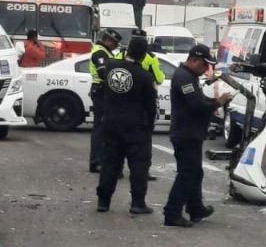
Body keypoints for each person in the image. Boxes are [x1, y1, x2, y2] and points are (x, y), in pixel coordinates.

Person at [163, 45, 233, 227]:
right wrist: (218, 102)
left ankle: (195, 208)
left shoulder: (190, 76)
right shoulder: (183, 77)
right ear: (194, 60)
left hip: (191, 132)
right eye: (204, 65)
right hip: (186, 134)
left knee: (195, 173)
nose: (205, 70)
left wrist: (215, 102)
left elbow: (200, 101)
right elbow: (196, 105)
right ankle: (172, 213)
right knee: (187, 173)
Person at [96, 36, 157, 214]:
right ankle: (137, 202)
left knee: (110, 163)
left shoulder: (110, 67)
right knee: (139, 164)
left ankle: (103, 201)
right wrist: (149, 127)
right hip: (135, 126)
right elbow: (151, 107)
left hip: (110, 122)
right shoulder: (145, 76)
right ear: (144, 54)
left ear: (127, 49)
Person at [88, 28, 123, 173]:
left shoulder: (105, 52)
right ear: (107, 40)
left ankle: (100, 160)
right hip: (101, 91)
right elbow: (104, 72)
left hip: (103, 92)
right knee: (101, 129)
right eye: (114, 43)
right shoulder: (100, 52)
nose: (115, 46)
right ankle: (96, 161)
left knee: (104, 128)